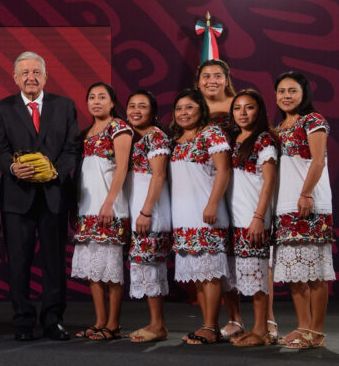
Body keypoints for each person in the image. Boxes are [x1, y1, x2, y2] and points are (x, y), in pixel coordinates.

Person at [0, 51, 78, 341]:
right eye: (25, 72)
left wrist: (57, 172)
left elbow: (71, 148)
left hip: (54, 195)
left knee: (54, 263)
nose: (31, 77)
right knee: (19, 262)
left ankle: (53, 320)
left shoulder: (65, 106)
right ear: (15, 77)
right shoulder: (2, 109)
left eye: (36, 72)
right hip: (17, 198)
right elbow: (0, 150)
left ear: (45, 76)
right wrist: (12, 168)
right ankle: (23, 321)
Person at [272, 71, 334, 349]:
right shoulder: (279, 127)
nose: (286, 96)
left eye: (292, 91)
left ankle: (316, 332)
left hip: (310, 203)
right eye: (282, 91)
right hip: (285, 206)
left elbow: (318, 162)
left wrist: (306, 193)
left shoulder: (314, 120)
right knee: (296, 272)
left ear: (304, 93)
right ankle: (303, 327)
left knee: (315, 271)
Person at [169, 89, 231, 345]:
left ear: (200, 110)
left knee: (210, 274)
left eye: (189, 108)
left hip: (206, 214)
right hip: (184, 217)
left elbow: (224, 170)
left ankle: (211, 326)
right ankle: (208, 325)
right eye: (179, 109)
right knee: (199, 276)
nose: (183, 113)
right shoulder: (178, 139)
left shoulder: (211, 134)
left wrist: (213, 204)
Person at [71, 82, 131, 341]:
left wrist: (109, 202)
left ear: (112, 101)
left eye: (102, 97)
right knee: (94, 269)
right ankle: (99, 321)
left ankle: (114, 323)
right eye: (92, 97)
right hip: (87, 208)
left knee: (111, 270)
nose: (96, 102)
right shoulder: (85, 133)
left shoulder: (119, 127)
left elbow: (121, 168)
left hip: (110, 208)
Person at [225, 89, 278, 347]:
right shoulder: (234, 139)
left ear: (260, 111)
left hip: (252, 217)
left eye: (249, 108)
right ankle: (251, 327)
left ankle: (261, 331)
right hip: (233, 218)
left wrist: (259, 217)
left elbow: (269, 182)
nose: (243, 113)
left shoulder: (264, 140)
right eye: (238, 108)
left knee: (256, 275)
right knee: (239, 276)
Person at [195, 59, 243, 340]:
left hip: (240, 181)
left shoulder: (240, 104)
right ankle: (233, 319)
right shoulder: (194, 110)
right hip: (206, 185)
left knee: (247, 253)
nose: (211, 80)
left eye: (217, 75)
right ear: (198, 80)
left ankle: (267, 321)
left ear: (227, 78)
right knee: (221, 255)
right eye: (205, 76)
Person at [124, 90, 172, 343]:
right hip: (137, 210)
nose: (136, 110)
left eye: (142, 106)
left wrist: (146, 211)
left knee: (151, 265)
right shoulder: (132, 136)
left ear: (153, 111)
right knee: (145, 264)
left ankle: (158, 325)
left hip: (150, 211)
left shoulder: (156, 137)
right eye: (132, 105)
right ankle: (155, 323)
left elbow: (159, 175)